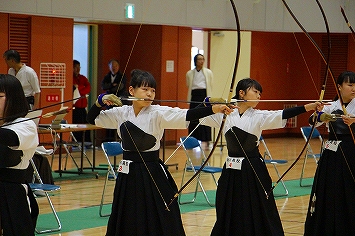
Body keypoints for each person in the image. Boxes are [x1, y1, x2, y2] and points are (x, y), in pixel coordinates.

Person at [87, 69, 232, 236]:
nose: (149, 94)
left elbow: (189, 114)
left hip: (152, 172)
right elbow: (92, 119)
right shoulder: (121, 112)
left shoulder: (158, 112)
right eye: (145, 89)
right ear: (132, 91)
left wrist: (213, 108)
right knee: (128, 214)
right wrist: (100, 101)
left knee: (160, 215)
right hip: (128, 174)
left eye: (153, 90)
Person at [199, 78, 322, 236]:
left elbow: (283, 113)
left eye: (260, 93)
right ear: (241, 93)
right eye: (255, 92)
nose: (259, 96)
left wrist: (309, 107)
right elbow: (197, 115)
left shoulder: (259, 116)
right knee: (228, 204)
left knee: (259, 206)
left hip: (253, 169)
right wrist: (209, 101)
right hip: (231, 170)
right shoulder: (226, 115)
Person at [304, 71, 355, 235]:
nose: (354, 88)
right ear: (339, 87)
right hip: (332, 154)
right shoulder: (331, 105)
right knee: (330, 189)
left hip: (350, 150)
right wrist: (321, 116)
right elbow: (312, 120)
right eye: (350, 85)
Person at [0, 74, 39, 235]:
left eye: (0, 96)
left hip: (12, 193)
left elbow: (10, 137)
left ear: (13, 98)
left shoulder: (25, 125)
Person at [186, 53, 213, 145]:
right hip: (194, 95)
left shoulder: (208, 72)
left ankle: (206, 139)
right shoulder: (189, 73)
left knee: (205, 116)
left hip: (204, 95)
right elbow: (188, 84)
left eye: (203, 59)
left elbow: (210, 84)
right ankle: (192, 139)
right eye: (199, 59)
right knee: (193, 116)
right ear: (195, 61)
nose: (201, 61)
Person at [101, 59, 129, 141]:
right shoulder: (107, 76)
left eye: (116, 66)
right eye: (112, 66)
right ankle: (109, 139)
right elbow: (103, 86)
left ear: (118, 66)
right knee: (109, 119)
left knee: (119, 120)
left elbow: (120, 87)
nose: (114, 68)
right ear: (109, 67)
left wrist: (110, 87)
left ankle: (119, 139)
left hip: (120, 101)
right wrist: (112, 85)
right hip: (109, 101)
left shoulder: (122, 76)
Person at [72, 60, 91, 144]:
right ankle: (76, 143)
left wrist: (78, 88)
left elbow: (88, 88)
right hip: (75, 107)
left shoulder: (83, 78)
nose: (77, 69)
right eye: (75, 67)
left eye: (79, 67)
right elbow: (72, 89)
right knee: (76, 126)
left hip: (83, 106)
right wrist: (81, 87)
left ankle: (86, 142)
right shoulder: (70, 78)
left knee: (85, 125)